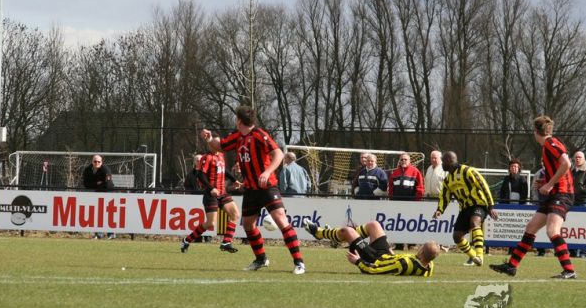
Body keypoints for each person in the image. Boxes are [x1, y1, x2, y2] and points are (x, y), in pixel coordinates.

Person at [201, 105, 306, 275]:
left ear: (239, 120)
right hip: (250, 189)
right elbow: (220, 146)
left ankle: (299, 262)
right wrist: (209, 138)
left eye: (236, 118)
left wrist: (267, 172)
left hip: (267, 186)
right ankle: (261, 259)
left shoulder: (259, 134)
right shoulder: (238, 137)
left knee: (280, 219)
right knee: (248, 224)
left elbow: (278, 154)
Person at [491, 115, 577, 279]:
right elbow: (560, 167)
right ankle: (511, 266)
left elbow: (567, 163)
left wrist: (549, 184)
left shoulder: (550, 143)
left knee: (552, 231)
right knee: (531, 227)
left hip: (562, 193)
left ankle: (569, 270)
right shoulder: (548, 145)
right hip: (554, 194)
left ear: (536, 131)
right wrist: (545, 182)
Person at [304, 219, 439, 277]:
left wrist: (358, 262)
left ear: (422, 252)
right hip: (387, 256)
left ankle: (319, 233)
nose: (419, 248)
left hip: (374, 258)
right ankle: (339, 237)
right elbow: (399, 261)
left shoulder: (404, 264)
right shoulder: (429, 265)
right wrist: (389, 250)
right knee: (374, 225)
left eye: (421, 247)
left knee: (348, 231)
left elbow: (375, 270)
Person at [433, 151, 498, 266]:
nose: (441, 164)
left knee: (475, 222)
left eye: (443, 161)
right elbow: (444, 196)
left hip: (479, 204)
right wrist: (440, 210)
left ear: (449, 161)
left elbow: (483, 186)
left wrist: (490, 206)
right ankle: (474, 257)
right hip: (464, 208)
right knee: (457, 236)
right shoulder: (447, 180)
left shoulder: (467, 171)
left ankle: (480, 256)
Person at [181, 150, 241, 254]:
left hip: (222, 193)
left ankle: (226, 242)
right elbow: (200, 175)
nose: (220, 145)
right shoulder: (207, 157)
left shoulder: (221, 155)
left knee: (235, 214)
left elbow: (223, 170)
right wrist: (211, 188)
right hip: (211, 194)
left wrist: (234, 180)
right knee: (210, 223)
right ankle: (187, 240)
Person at [82, 154, 115, 239]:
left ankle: (111, 234)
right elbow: (86, 184)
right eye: (95, 161)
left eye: (99, 161)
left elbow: (107, 184)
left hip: (108, 193)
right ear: (92, 162)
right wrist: (97, 184)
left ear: (101, 162)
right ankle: (99, 234)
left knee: (108, 214)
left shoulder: (106, 170)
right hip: (97, 193)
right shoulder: (87, 170)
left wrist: (94, 185)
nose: (97, 163)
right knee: (97, 214)